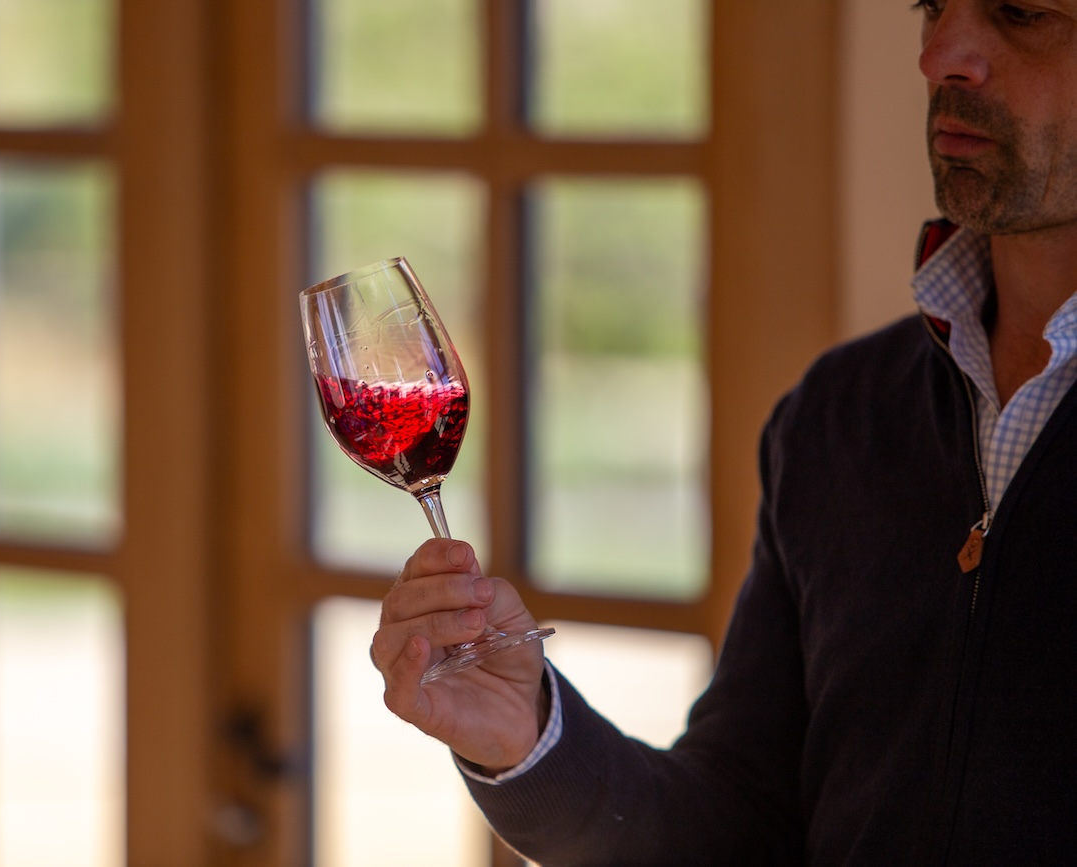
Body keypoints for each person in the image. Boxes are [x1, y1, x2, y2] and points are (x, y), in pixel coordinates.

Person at [369, 1, 1077, 863]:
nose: (939, 57)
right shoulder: (837, 415)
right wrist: (533, 740)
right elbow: (740, 823)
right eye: (932, 7)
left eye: (1022, 12)